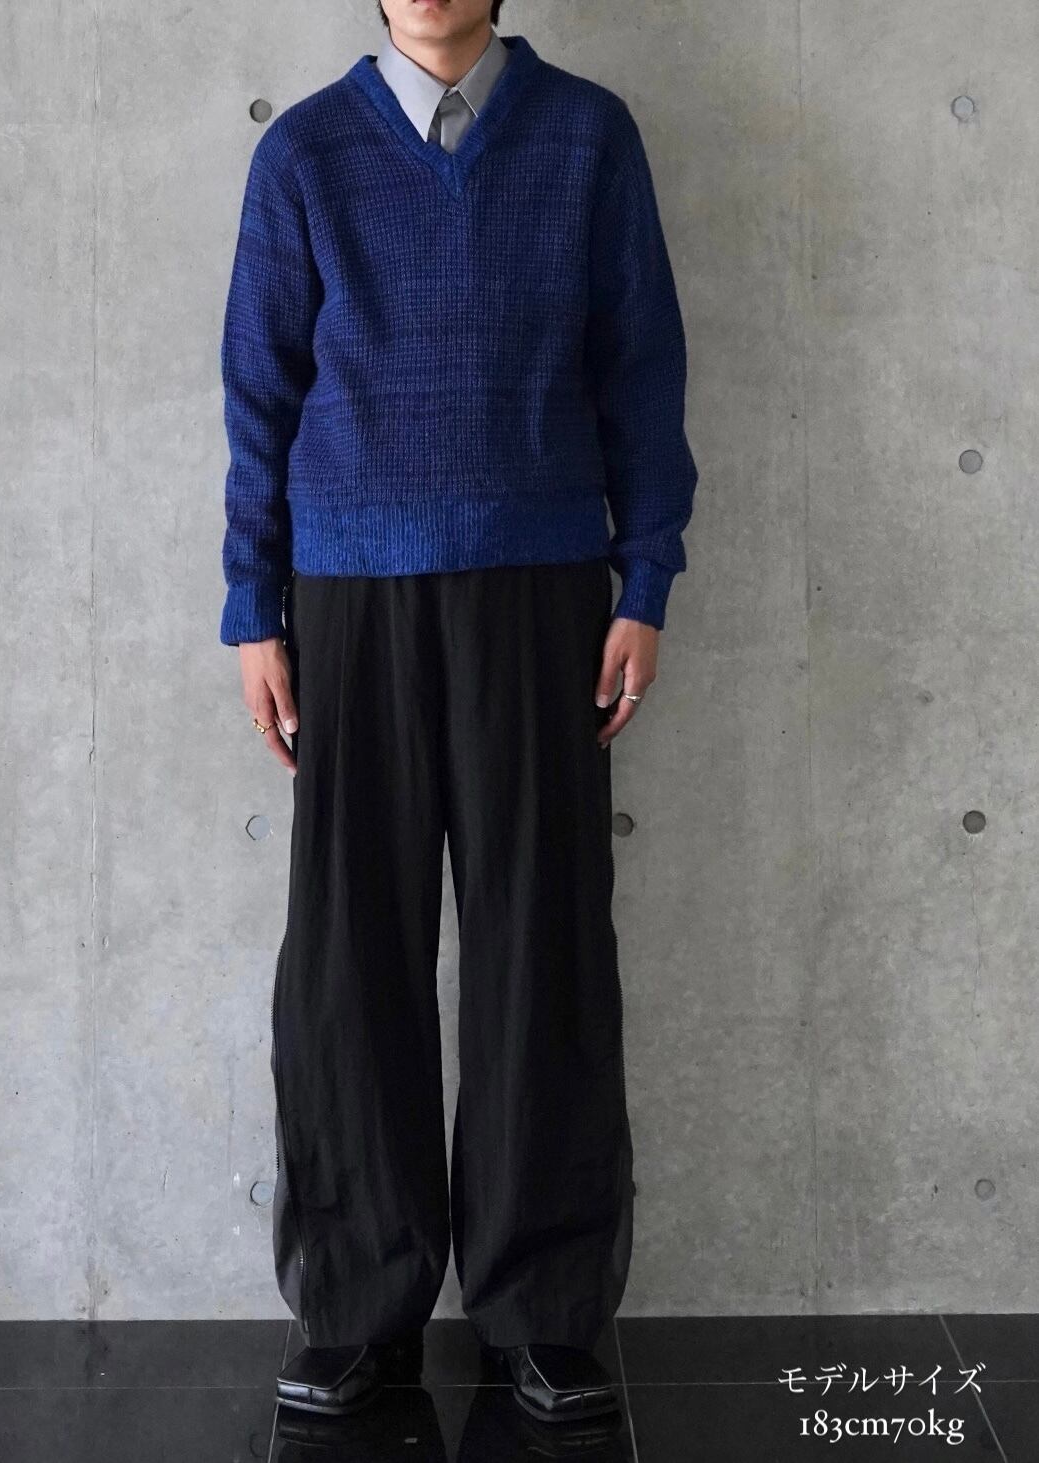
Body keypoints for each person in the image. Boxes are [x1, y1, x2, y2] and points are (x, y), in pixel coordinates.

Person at [218, 0, 698, 1426]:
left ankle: (542, 1309)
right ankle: (356, 1305)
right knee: (348, 952)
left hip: (543, 589)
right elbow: (259, 390)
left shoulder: (588, 137)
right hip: (347, 594)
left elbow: (643, 367)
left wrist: (645, 578)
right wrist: (252, 607)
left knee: (541, 941)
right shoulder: (306, 152)